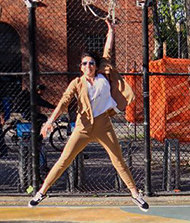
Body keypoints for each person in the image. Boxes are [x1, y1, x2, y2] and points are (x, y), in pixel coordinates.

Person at [28, 20, 148, 211]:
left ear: (95, 65)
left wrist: (111, 31)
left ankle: (135, 194)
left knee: (118, 160)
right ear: (81, 66)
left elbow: (107, 50)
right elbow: (63, 101)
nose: (88, 65)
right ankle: (42, 192)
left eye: (91, 63)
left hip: (103, 125)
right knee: (64, 160)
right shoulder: (77, 83)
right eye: (85, 63)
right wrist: (50, 121)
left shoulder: (104, 74)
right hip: (83, 126)